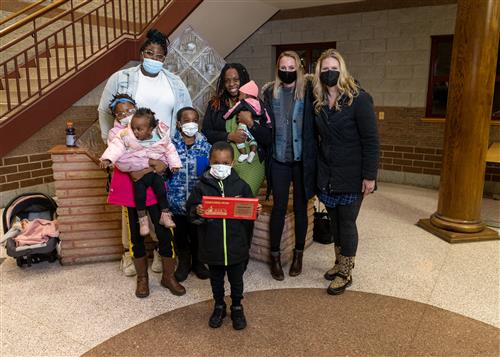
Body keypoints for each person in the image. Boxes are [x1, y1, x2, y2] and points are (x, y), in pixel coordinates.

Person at [98, 28, 192, 274]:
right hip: (130, 154)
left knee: (160, 204)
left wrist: (169, 160)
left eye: (159, 55)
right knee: (131, 206)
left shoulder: (174, 82)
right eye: (149, 52)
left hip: (160, 154)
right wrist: (118, 154)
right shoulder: (121, 78)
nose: (154, 58)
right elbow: (105, 113)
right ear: (141, 53)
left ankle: (161, 252)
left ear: (165, 58)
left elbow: (183, 116)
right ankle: (130, 253)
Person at [312, 49, 379, 295]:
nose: (330, 73)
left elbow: (371, 140)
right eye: (325, 69)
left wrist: (369, 176)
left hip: (352, 174)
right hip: (328, 174)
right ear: (319, 72)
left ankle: (346, 271)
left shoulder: (359, 99)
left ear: (342, 71)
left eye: (334, 68)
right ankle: (339, 262)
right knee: (335, 223)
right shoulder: (318, 102)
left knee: (347, 223)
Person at [186, 141, 260, 330]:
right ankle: (219, 305)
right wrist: (197, 210)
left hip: (236, 245)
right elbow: (191, 210)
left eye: (226, 162)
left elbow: (249, 214)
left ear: (233, 163)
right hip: (213, 246)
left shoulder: (241, 186)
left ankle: (237, 306)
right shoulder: (201, 187)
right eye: (217, 162)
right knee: (216, 281)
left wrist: (255, 210)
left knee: (237, 281)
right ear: (210, 161)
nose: (222, 166)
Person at [262, 51, 317, 280]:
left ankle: (298, 255)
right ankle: (274, 257)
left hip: (301, 159)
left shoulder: (308, 91)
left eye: (291, 66)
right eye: (283, 67)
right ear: (278, 68)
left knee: (302, 208)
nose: (287, 71)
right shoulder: (269, 92)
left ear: (298, 68)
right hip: (279, 159)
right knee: (279, 207)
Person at [100, 108, 181, 234]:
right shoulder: (126, 135)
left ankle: (165, 216)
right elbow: (116, 146)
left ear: (150, 129)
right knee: (140, 197)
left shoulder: (160, 135)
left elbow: (170, 149)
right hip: (138, 175)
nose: (135, 132)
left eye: (139, 129)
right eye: (133, 128)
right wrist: (108, 159)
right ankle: (142, 222)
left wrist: (174, 164)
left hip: (154, 173)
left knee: (161, 192)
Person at [202, 63, 271, 196]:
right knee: (226, 205)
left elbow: (267, 137)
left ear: (243, 80)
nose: (231, 84)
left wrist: (250, 122)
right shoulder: (215, 104)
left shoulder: (257, 105)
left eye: (236, 80)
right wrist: (229, 136)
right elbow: (206, 132)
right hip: (224, 165)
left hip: (252, 164)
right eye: (227, 81)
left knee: (244, 203)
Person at [168, 107, 211, 282]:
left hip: (197, 204)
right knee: (180, 236)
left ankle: (198, 263)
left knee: (197, 235)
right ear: (179, 124)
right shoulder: (170, 146)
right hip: (176, 202)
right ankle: (184, 262)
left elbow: (209, 174)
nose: (191, 124)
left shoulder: (205, 147)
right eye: (186, 120)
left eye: (194, 120)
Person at [223, 80, 271, 163]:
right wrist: (269, 123)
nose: (239, 97)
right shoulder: (261, 103)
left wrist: (225, 116)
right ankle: (252, 152)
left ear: (247, 95)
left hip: (244, 126)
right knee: (253, 141)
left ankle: (244, 154)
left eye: (241, 94)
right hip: (256, 128)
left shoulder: (243, 102)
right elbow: (266, 115)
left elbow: (233, 110)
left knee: (239, 138)